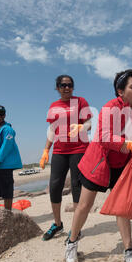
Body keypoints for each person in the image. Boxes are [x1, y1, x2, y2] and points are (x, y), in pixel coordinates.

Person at [65, 69, 132, 262]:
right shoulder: (109, 108)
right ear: (120, 91)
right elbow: (103, 136)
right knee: (84, 206)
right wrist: (129, 143)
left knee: (122, 208)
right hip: (99, 163)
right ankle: (72, 242)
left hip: (121, 165)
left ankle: (128, 250)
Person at [39, 75, 92, 241]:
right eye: (62, 85)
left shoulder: (80, 101)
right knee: (55, 186)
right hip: (60, 151)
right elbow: (52, 129)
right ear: (57, 87)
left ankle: (76, 228)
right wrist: (46, 150)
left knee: (76, 186)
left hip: (79, 149)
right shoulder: (54, 106)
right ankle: (57, 223)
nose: (66, 88)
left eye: (70, 85)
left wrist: (82, 127)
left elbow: (90, 122)